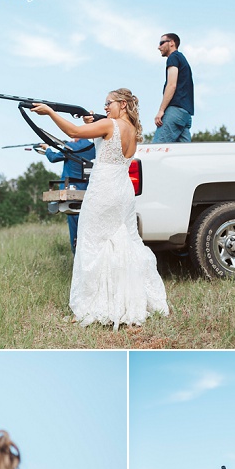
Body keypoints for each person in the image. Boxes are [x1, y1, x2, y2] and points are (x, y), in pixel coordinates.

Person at [31, 89, 169, 329]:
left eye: (108, 103)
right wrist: (94, 120)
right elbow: (105, 140)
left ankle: (88, 305)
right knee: (123, 240)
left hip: (103, 189)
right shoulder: (133, 131)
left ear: (122, 104)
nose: (105, 107)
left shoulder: (109, 125)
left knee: (91, 243)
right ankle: (130, 298)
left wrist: (50, 112)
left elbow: (73, 132)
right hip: (123, 190)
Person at [40, 138, 96, 254]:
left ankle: (76, 255)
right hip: (87, 191)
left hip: (71, 194)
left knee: (74, 227)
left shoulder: (70, 147)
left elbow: (53, 158)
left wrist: (47, 149)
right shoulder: (93, 147)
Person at [152, 33, 194, 143]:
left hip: (174, 112)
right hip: (185, 115)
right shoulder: (182, 58)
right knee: (183, 155)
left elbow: (172, 85)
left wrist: (161, 110)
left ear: (172, 43)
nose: (158, 47)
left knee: (157, 149)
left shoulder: (173, 57)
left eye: (161, 43)